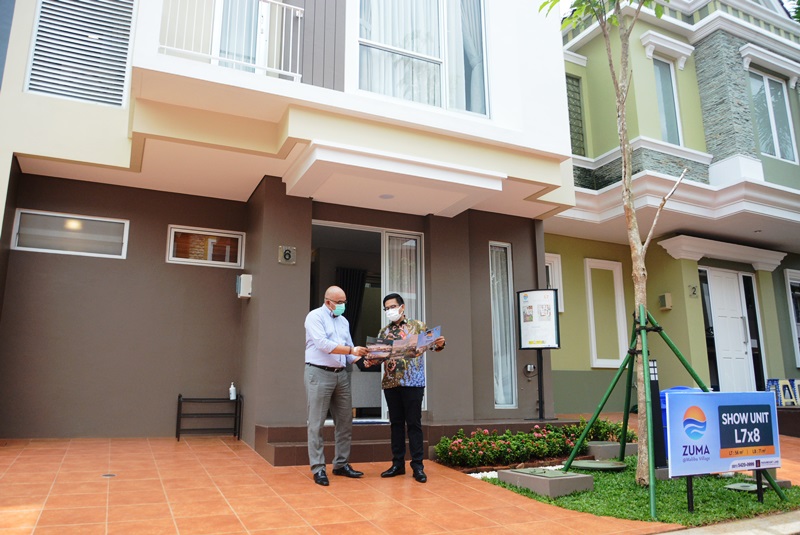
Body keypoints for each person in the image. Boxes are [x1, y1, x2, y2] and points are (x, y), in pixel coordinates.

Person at [365, 293, 445, 483]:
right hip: (391, 383)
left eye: (392, 307)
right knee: (396, 425)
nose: (389, 311)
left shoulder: (418, 326)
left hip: (413, 382)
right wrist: (370, 359)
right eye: (386, 308)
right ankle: (397, 464)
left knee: (414, 424)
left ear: (402, 307)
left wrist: (441, 344)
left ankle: (418, 466)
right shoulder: (384, 332)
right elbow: (378, 357)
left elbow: (434, 346)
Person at [304, 286, 368, 486]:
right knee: (316, 423)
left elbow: (349, 351)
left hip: (341, 375)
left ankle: (341, 464)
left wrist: (363, 360)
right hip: (318, 373)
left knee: (345, 421)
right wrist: (352, 350)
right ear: (328, 302)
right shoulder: (314, 317)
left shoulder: (344, 321)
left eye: (344, 302)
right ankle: (318, 468)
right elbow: (323, 344)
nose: (343, 305)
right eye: (339, 302)